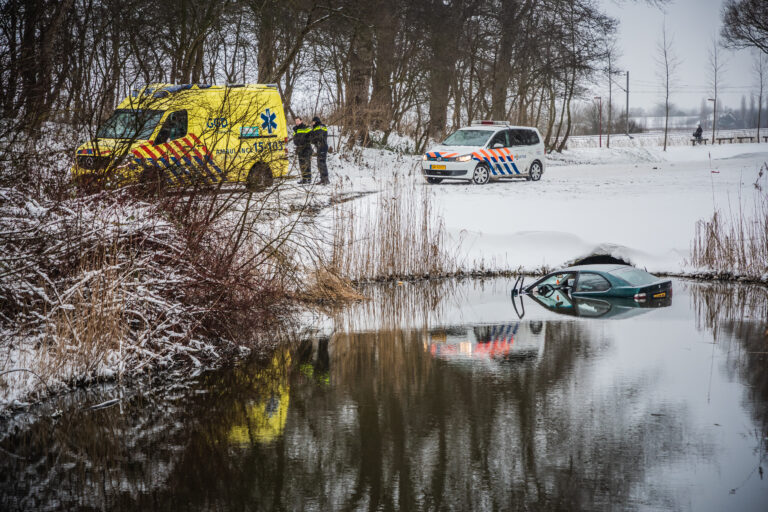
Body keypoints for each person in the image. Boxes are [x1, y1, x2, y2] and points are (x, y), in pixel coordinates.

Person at [292, 117, 312, 183]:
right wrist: (297, 143)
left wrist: (305, 142)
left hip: (306, 148)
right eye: (296, 121)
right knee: (301, 164)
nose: (297, 122)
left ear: (301, 121)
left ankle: (308, 179)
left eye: (298, 121)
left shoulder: (306, 127)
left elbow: (311, 137)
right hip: (299, 148)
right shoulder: (295, 129)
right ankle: (304, 179)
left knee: (307, 163)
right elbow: (294, 139)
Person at [310, 116, 329, 184]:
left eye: (313, 122)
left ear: (316, 121)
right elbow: (313, 138)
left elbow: (318, 137)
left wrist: (313, 139)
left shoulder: (320, 126)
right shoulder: (315, 128)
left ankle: (325, 179)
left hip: (322, 146)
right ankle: (322, 179)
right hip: (320, 146)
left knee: (322, 163)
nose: (312, 123)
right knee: (319, 163)